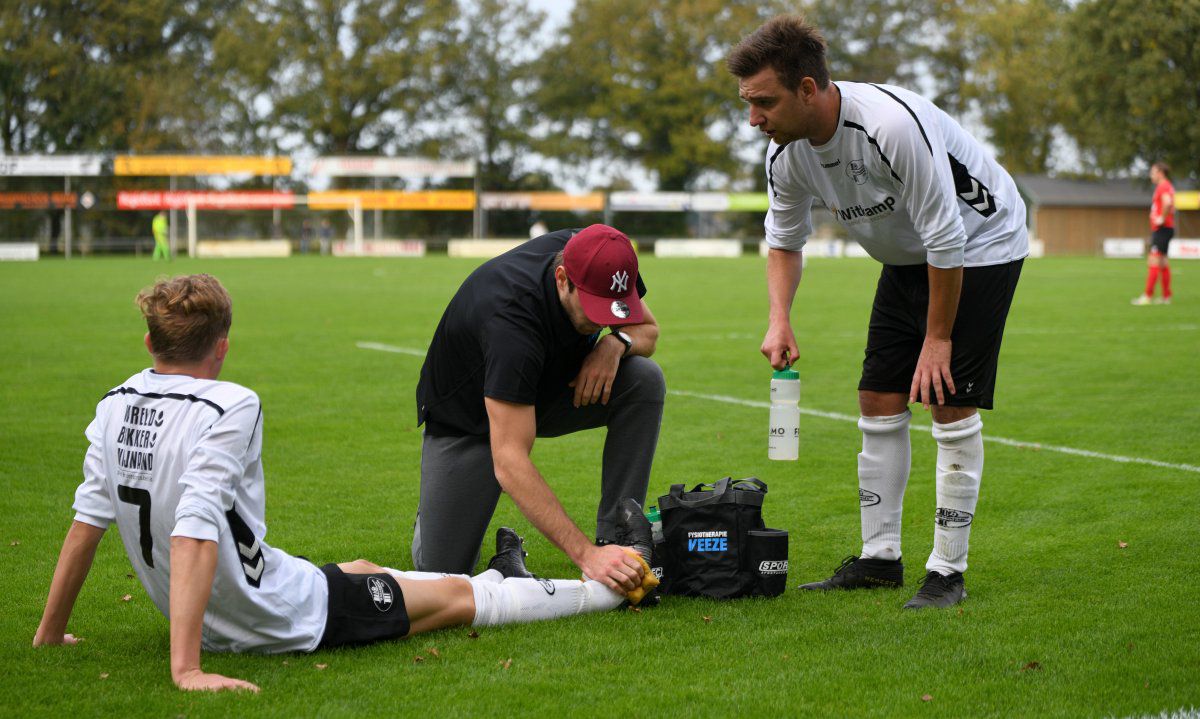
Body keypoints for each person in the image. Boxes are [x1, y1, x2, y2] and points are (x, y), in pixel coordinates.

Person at [32, 274, 657, 693]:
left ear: (149, 341)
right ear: (222, 347)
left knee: (362, 569)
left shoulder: (114, 402)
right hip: (275, 615)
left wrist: (50, 632)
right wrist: (187, 669)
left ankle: (500, 570)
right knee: (457, 598)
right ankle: (601, 590)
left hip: (252, 590)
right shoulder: (230, 404)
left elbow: (87, 523)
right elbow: (193, 532)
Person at [727, 16, 1028, 609]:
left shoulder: (889, 126)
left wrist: (937, 339)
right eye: (748, 103)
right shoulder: (785, 155)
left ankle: (947, 571)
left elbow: (947, 236)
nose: (754, 119)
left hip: (980, 243)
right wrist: (779, 318)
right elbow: (784, 242)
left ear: (807, 89)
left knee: (946, 398)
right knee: (878, 396)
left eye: (764, 102)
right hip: (909, 254)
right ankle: (879, 558)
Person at [413, 224, 665, 596]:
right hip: (469, 420)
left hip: (551, 388)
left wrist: (614, 345)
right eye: (594, 307)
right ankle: (434, 512)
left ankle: (618, 538)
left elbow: (648, 330)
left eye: (610, 309)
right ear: (562, 279)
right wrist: (587, 557)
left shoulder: (604, 257)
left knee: (644, 379)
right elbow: (510, 460)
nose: (602, 320)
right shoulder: (511, 321)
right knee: (443, 572)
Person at [1132, 162, 1175, 305]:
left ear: (1160, 173)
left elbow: (1167, 203)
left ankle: (1147, 296)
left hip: (1162, 229)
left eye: (1153, 172)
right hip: (1166, 229)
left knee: (1153, 261)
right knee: (1162, 262)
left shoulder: (1163, 186)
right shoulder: (1167, 186)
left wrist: (1161, 217)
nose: (1151, 175)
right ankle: (1166, 296)